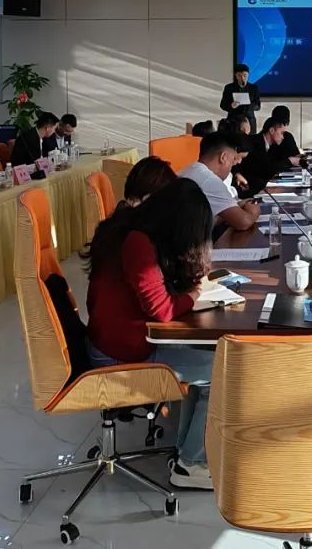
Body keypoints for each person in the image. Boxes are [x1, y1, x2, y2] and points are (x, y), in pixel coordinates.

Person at [84, 178, 216, 490]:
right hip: (120, 354)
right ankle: (192, 465)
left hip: (110, 341)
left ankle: (187, 454)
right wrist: (195, 295)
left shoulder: (126, 227)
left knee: (209, 359)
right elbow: (162, 311)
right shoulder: (138, 243)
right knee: (222, 368)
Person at [178, 132, 260, 230]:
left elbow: (206, 219)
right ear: (223, 157)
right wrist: (253, 212)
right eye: (233, 159)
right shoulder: (210, 180)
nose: (233, 164)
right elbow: (243, 222)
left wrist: (236, 206)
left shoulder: (190, 170)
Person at [235, 116, 292, 198]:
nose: (283, 137)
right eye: (281, 133)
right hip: (244, 190)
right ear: (271, 130)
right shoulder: (253, 143)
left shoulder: (274, 146)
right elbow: (265, 169)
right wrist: (289, 161)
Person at [219, 64, 261, 131]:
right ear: (235, 75)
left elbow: (258, 106)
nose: (242, 78)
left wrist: (249, 104)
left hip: (249, 121)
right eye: (239, 75)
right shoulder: (229, 88)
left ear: (248, 75)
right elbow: (222, 105)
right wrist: (231, 106)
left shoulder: (253, 88)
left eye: (245, 75)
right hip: (233, 122)